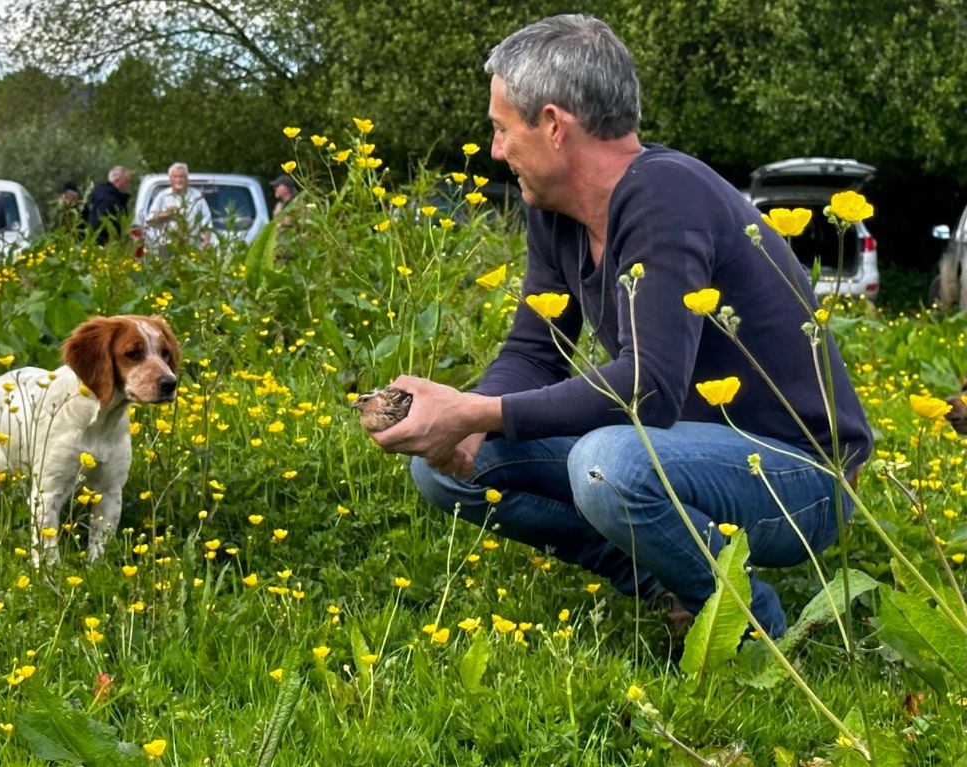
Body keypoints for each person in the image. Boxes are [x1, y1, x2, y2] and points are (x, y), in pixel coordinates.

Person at [372, 14, 872, 638]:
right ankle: (670, 580)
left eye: (502, 130)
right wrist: (467, 420)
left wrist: (477, 412)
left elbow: (649, 386)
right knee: (449, 469)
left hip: (800, 474)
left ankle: (745, 625)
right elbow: (534, 350)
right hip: (682, 453)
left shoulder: (667, 195)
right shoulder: (557, 210)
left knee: (607, 463)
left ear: (553, 126)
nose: (497, 151)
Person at [144, 162, 213, 251]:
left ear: (187, 178)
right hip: (167, 246)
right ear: (170, 179)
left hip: (191, 247)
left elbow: (207, 223)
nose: (179, 180)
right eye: (176, 177)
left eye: (182, 177)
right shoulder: (162, 196)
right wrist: (166, 214)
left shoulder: (196, 196)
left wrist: (205, 245)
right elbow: (149, 220)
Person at [86, 165, 133, 244]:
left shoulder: (105, 197)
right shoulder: (109, 201)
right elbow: (104, 226)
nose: (128, 185)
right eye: (127, 182)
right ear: (117, 181)